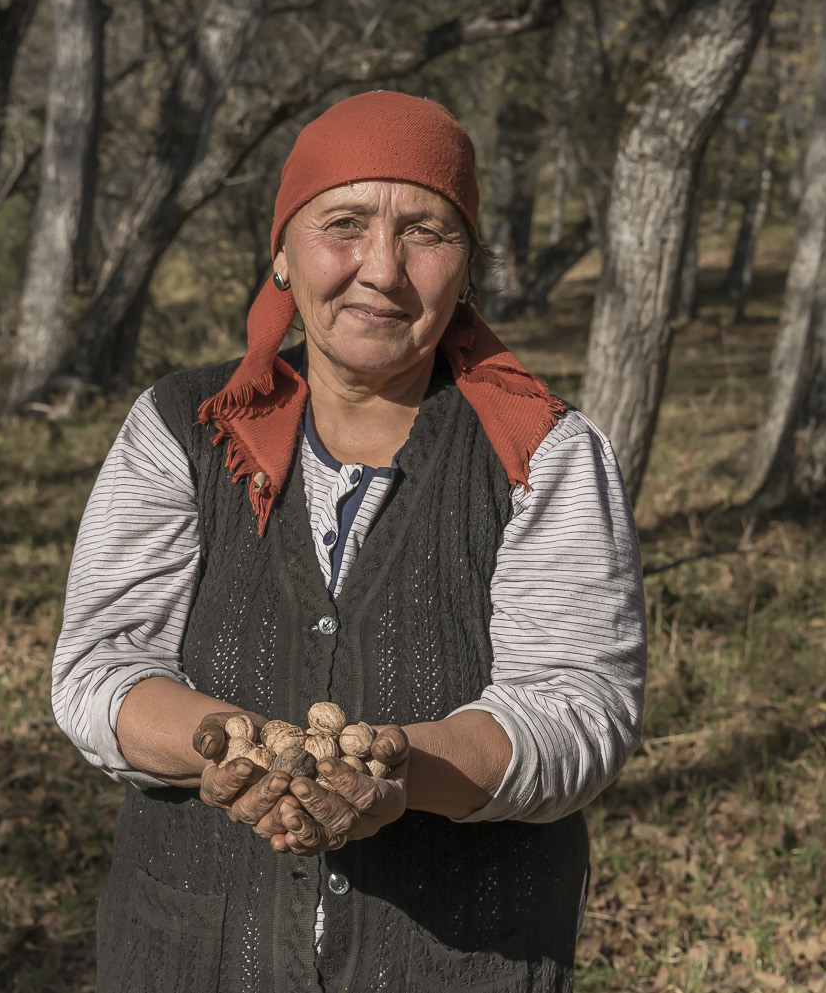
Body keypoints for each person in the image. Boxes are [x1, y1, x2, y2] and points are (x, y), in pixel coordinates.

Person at [51, 90, 646, 992]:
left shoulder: (543, 452)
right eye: (344, 223)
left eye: (426, 232)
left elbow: (576, 707)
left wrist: (401, 771)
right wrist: (227, 745)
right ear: (283, 254)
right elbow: (100, 666)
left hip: (461, 958)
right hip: (193, 950)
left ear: (468, 266)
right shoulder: (183, 426)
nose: (382, 269)